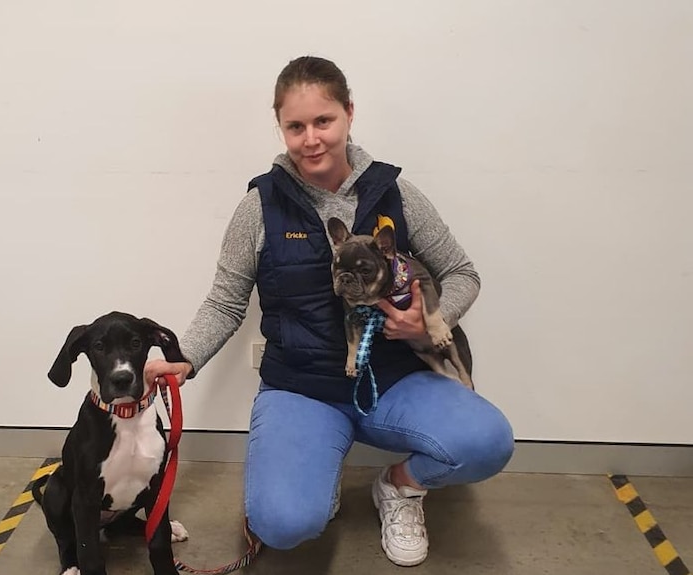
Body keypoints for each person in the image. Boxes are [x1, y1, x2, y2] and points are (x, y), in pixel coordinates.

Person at [144, 55, 514, 567]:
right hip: (301, 387)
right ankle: (317, 474)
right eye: (295, 126)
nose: (311, 138)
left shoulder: (397, 194)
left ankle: (399, 489)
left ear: (349, 115)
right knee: (283, 522)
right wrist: (183, 356)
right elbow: (225, 302)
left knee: (489, 441)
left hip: (397, 381)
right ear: (280, 128)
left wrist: (435, 319)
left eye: (324, 121)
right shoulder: (260, 206)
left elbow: (461, 273)